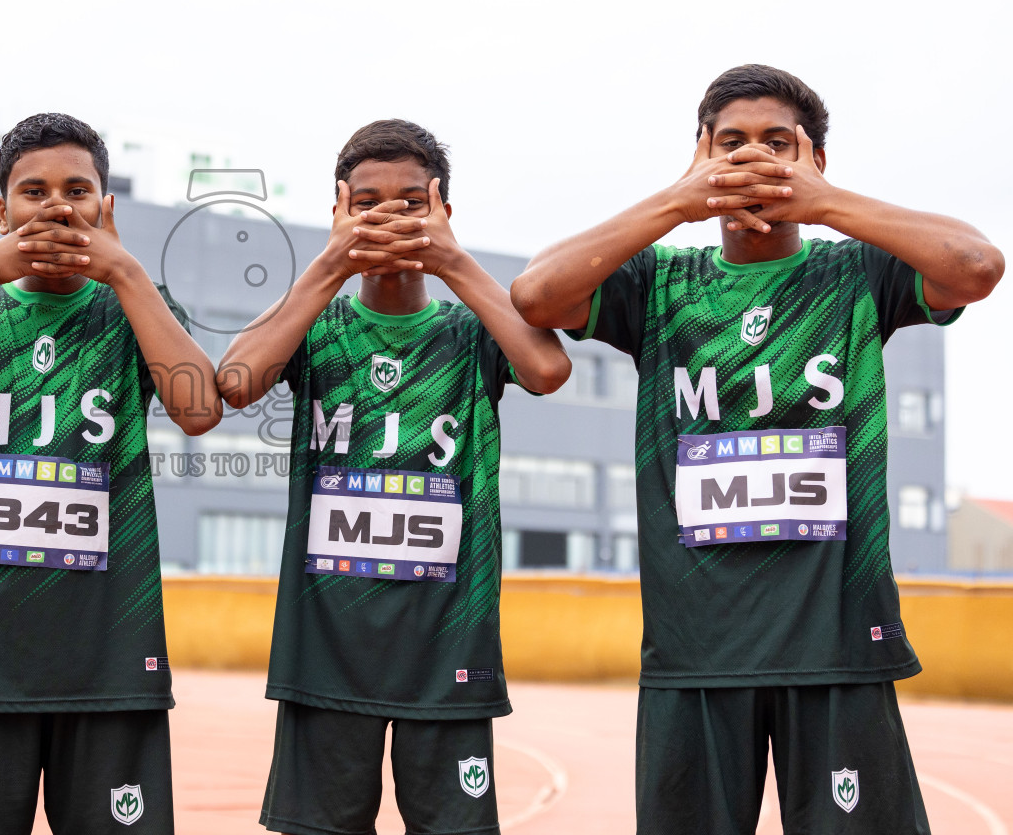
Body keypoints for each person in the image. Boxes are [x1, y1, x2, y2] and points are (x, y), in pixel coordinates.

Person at [510, 64, 1004, 834]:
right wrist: (677, 199)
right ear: (701, 154)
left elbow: (976, 267)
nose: (753, 159)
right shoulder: (658, 284)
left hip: (838, 643)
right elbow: (538, 295)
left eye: (777, 143)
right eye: (730, 143)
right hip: (694, 650)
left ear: (814, 159)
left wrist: (828, 204)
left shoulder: (857, 274)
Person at [217, 119, 571, 835]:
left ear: (442, 212)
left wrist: (456, 264)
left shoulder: (470, 332)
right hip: (327, 650)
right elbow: (234, 382)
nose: (389, 217)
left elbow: (548, 369)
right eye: (367, 202)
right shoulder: (317, 329)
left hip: (448, 648)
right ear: (339, 211)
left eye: (412, 202)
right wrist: (328, 267)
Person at [0, 111, 221, 835]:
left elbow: (199, 411)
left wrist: (128, 270)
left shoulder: (129, 304)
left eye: (78, 189)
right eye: (34, 191)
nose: (58, 205)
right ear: (2, 210)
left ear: (106, 207)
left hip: (110, 663)